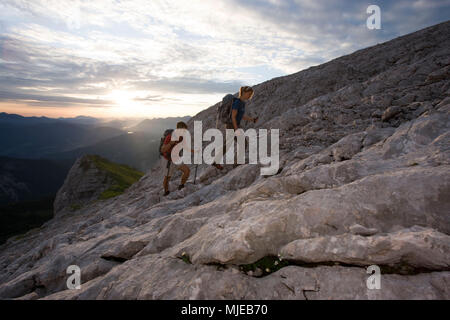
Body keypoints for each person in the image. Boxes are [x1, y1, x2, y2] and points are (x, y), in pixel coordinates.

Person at [213, 86, 258, 170]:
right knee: (243, 143)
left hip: (233, 125)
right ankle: (237, 163)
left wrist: (252, 119)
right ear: (243, 93)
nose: (249, 96)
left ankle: (216, 161)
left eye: (251, 94)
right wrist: (236, 128)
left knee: (228, 144)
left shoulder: (242, 103)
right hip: (232, 125)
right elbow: (233, 116)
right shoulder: (237, 102)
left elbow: (241, 116)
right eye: (249, 94)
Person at [162, 121, 191, 196]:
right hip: (168, 159)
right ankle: (166, 192)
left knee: (187, 171)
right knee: (167, 177)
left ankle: (181, 186)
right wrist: (171, 143)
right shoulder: (170, 137)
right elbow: (163, 149)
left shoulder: (182, 137)